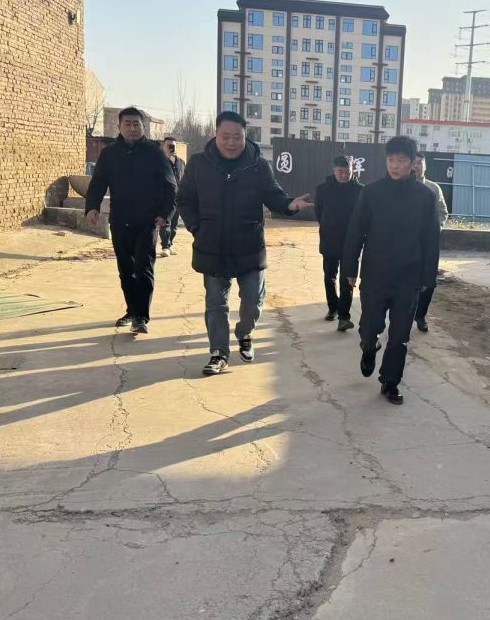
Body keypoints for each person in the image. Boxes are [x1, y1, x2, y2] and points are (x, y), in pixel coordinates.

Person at [176, 111, 313, 376]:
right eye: (225, 136)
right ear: (216, 135)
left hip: (249, 246)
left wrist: (289, 205)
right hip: (212, 247)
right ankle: (218, 353)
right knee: (216, 304)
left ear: (244, 135)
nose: (231, 142)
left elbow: (274, 195)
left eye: (237, 137)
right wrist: (197, 228)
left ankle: (245, 332)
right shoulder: (199, 164)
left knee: (252, 301)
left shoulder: (258, 165)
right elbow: (184, 199)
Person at [343, 135, 439, 405]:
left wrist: (427, 277)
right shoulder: (371, 192)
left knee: (399, 336)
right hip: (375, 274)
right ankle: (369, 347)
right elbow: (355, 232)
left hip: (408, 277)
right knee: (369, 327)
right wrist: (350, 267)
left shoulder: (425, 196)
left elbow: (431, 239)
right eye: (391, 160)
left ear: (413, 163)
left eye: (401, 161)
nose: (395, 166)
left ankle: (390, 382)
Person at [85, 106, 176, 335]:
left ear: (143, 127)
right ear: (119, 126)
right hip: (120, 220)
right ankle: (131, 310)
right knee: (125, 270)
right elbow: (98, 183)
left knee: (143, 268)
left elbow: (170, 186)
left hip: (147, 222)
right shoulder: (110, 154)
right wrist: (92, 207)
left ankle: (141, 316)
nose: (132, 128)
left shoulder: (154, 153)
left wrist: (165, 213)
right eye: (127, 124)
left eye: (136, 124)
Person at [314, 156, 363, 332]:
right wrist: (328, 227)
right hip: (330, 240)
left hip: (351, 242)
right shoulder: (323, 189)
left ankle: (344, 316)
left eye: (347, 172)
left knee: (347, 279)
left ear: (352, 170)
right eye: (340, 172)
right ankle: (332, 307)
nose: (343, 175)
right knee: (329, 276)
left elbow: (363, 217)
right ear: (333, 170)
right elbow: (319, 212)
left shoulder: (360, 191)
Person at [412, 152, 449, 333]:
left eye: (420, 163)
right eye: (414, 163)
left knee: (428, 279)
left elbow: (443, 212)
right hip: (406, 243)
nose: (416, 166)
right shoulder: (402, 187)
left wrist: (435, 230)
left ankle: (420, 315)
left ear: (425, 166)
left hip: (428, 243)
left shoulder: (434, 188)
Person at [158, 136, 185, 258]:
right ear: (163, 146)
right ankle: (165, 246)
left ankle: (170, 244)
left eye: (173, 145)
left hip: (178, 197)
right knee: (166, 221)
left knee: (174, 224)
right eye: (169, 145)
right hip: (164, 198)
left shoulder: (181, 163)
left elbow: (184, 178)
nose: (172, 147)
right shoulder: (159, 162)